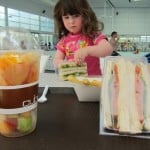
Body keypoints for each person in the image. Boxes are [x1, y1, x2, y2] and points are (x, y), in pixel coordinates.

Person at [53, 0, 113, 76]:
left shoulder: (92, 34)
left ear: (85, 15)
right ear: (61, 19)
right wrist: (63, 63)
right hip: (73, 82)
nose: (71, 21)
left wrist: (87, 50)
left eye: (76, 16)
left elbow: (108, 49)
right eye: (66, 17)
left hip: (92, 82)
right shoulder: (64, 40)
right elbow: (56, 60)